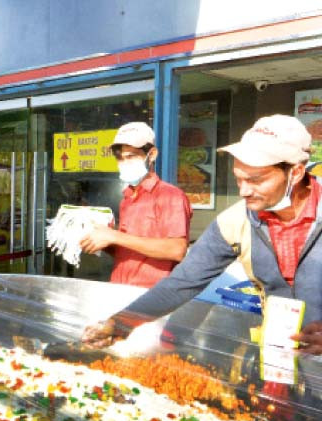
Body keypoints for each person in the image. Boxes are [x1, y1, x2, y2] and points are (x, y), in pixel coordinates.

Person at [83, 115, 322, 352]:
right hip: (283, 356)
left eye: (256, 180)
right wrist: (121, 323)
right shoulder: (234, 222)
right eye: (238, 179)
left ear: (296, 173)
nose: (244, 191)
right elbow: (183, 282)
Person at [79, 122, 192, 287]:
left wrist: (115, 236)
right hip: (121, 289)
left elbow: (177, 250)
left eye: (131, 156)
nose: (123, 162)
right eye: (119, 157)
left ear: (152, 154)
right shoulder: (128, 197)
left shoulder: (170, 195)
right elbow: (128, 250)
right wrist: (100, 239)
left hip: (153, 296)